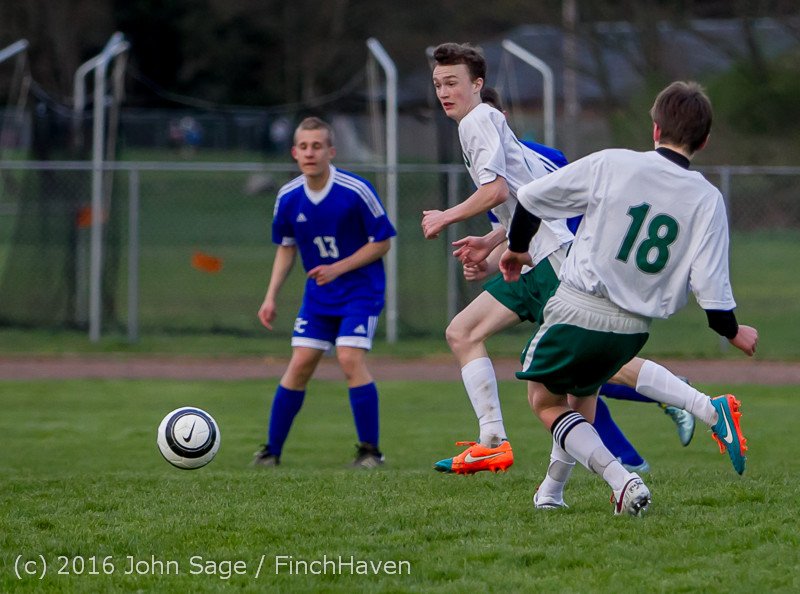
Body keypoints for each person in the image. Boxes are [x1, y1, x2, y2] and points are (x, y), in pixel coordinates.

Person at [425, 44, 695, 480]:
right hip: (540, 259)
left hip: (552, 260)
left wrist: (447, 215)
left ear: (478, 86)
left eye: (452, 82)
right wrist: (491, 240)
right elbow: (519, 200)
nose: (443, 91)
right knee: (470, 335)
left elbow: (498, 193)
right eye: (438, 84)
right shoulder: (489, 126)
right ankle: (513, 454)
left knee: (589, 372)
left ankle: (696, 407)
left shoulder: (477, 121)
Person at [500, 81, 758, 515]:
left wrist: (515, 248)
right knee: (581, 396)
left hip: (579, 308)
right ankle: (551, 492)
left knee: (544, 399)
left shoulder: (614, 163)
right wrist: (733, 333)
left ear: (655, 130)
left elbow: (529, 198)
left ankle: (623, 480)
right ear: (705, 141)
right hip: (633, 331)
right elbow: (713, 297)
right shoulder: (708, 200)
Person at [251, 116, 397, 469]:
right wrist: (270, 296)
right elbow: (286, 247)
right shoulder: (288, 197)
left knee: (348, 358)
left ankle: (369, 452)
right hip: (319, 297)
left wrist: (338, 267)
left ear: (331, 151)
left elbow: (383, 242)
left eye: (317, 146)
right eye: (303, 147)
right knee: (300, 364)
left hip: (360, 291)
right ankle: (271, 452)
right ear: (294, 153)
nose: (310, 153)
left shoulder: (355, 190)